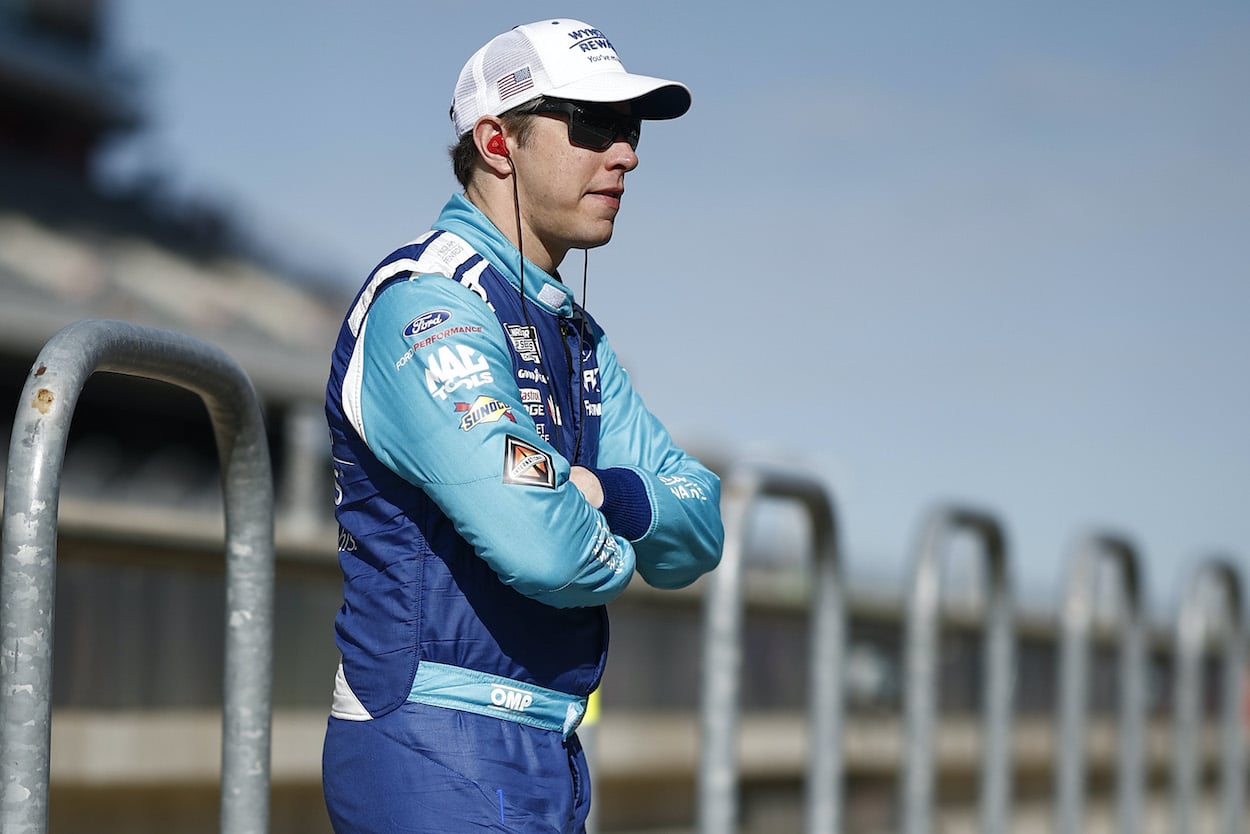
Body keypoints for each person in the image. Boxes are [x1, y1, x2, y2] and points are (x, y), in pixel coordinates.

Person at [321, 18, 724, 833]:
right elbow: (548, 550)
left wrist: (606, 493)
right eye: (593, 125)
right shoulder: (427, 303)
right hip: (430, 748)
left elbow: (701, 523)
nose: (628, 154)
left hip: (548, 751)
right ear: (497, 142)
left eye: (632, 129)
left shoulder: (575, 334)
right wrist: (614, 543)